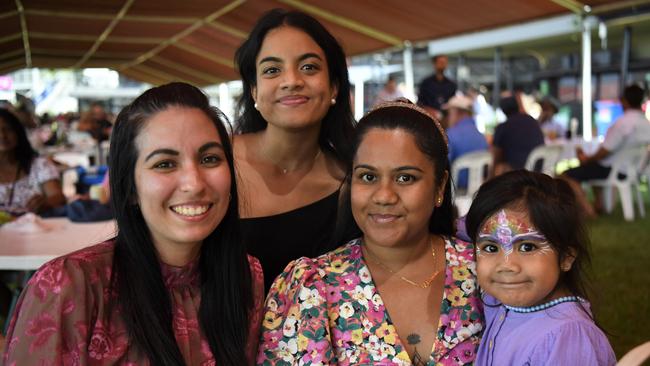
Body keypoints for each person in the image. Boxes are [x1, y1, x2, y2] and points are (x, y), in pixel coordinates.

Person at [3, 82, 265, 365]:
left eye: (210, 158)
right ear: (129, 189)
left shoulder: (246, 275)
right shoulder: (69, 285)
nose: (194, 183)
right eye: (165, 163)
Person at [257, 100, 483, 365]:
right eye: (368, 177)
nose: (384, 196)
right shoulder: (314, 286)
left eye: (405, 178)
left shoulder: (483, 270)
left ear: (440, 187)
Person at [233, 9, 356, 291]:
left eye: (309, 67)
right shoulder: (216, 164)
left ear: (334, 86)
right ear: (254, 91)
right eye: (272, 70)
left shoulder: (351, 184)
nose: (291, 81)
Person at [465, 170, 615, 365]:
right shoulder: (503, 303)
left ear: (566, 257)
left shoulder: (566, 337)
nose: (507, 265)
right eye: (491, 247)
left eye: (527, 247)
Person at [562, 84, 650, 217]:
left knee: (567, 175)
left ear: (624, 101)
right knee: (591, 167)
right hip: (633, 169)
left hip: (614, 169)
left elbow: (604, 151)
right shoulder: (646, 123)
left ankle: (588, 211)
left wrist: (587, 158)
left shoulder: (623, 123)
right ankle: (599, 205)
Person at [0, 108, 65, 215]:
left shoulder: (39, 165)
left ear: (18, 133)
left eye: (8, 129)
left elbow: (57, 196)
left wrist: (46, 202)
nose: (2, 135)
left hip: (36, 229)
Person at [443, 94, 489, 190]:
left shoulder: (451, 134)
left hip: (455, 191)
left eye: (448, 113)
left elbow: (443, 165)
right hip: (478, 190)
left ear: (457, 112)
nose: (447, 118)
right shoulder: (481, 136)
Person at [491, 95, 544, 177]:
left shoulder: (504, 126)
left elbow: (496, 156)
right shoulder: (532, 121)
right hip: (541, 168)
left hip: (521, 171)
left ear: (503, 111)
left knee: (498, 168)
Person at [417, 54, 457, 120]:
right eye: (440, 62)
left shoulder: (451, 84)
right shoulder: (426, 83)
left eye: (444, 62)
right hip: (429, 118)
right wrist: (431, 111)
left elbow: (453, 101)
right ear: (434, 63)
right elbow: (420, 103)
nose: (442, 64)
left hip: (446, 119)